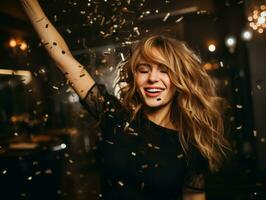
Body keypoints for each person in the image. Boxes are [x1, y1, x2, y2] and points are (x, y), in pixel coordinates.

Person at [20, 0, 230, 199]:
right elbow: (63, 58)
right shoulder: (116, 117)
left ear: (180, 79)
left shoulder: (191, 141)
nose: (152, 78)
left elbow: (194, 196)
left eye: (164, 70)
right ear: (135, 77)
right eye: (143, 69)